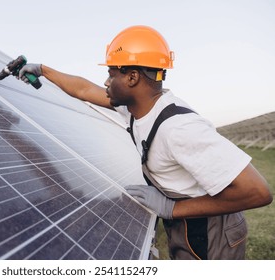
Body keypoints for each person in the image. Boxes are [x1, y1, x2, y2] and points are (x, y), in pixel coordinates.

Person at [18, 25, 273, 259]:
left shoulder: (179, 129)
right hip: (188, 217)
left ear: (132, 77)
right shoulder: (134, 108)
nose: (106, 82)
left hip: (210, 228)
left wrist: (171, 209)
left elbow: (257, 192)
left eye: (111, 73)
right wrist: (44, 70)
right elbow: (84, 90)